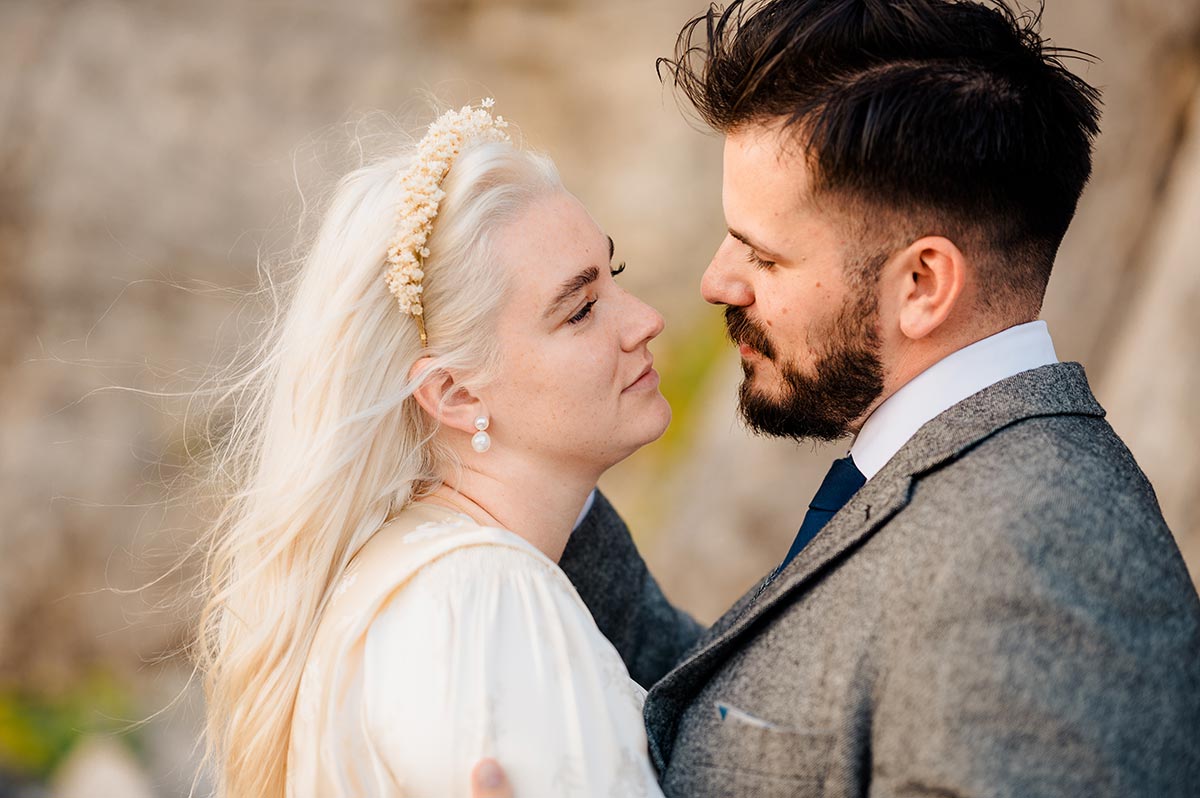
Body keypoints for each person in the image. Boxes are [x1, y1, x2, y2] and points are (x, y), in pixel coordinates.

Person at [470, 1, 1200, 796]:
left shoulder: (1046, 572)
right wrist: (543, 481)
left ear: (921, 284)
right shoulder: (963, 468)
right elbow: (743, 717)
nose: (717, 281)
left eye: (763, 254)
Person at [194, 101, 671, 797]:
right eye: (581, 308)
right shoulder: (486, 597)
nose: (646, 321)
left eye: (613, 273)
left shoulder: (404, 572)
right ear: (455, 395)